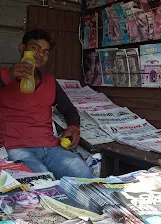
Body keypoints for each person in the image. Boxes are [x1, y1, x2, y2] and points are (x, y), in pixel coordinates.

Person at [0, 29, 93, 179]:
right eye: (34, 48)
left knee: (84, 174)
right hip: (16, 148)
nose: (39, 55)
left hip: (50, 147)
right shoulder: (4, 75)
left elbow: (69, 109)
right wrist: (9, 77)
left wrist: (73, 127)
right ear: (22, 48)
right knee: (42, 182)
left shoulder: (50, 81)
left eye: (45, 52)